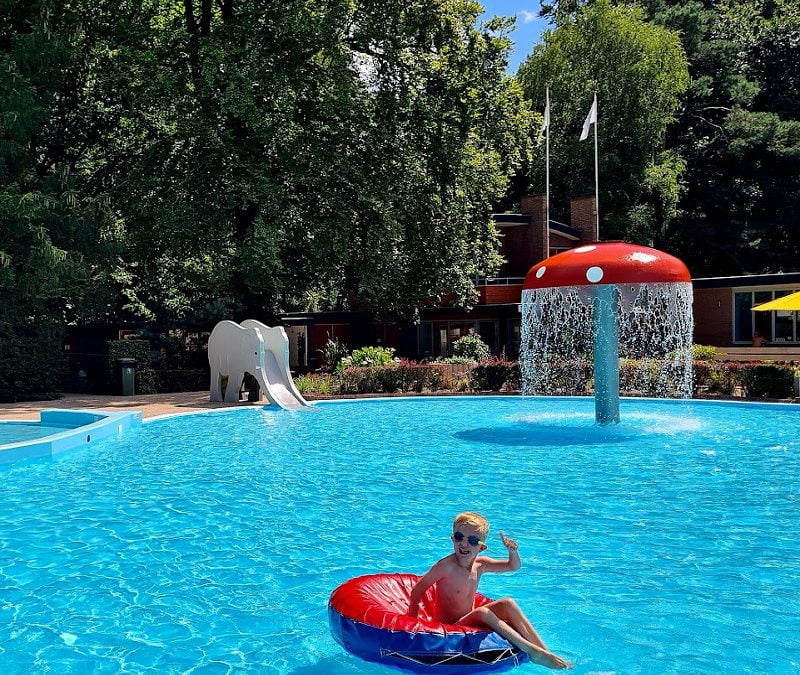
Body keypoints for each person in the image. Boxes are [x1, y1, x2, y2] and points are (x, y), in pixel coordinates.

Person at [407, 512, 572, 670]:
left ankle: (544, 651)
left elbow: (512, 566)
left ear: (482, 547)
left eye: (472, 540)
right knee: (483, 613)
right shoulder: (445, 567)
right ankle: (530, 650)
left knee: (508, 603)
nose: (464, 544)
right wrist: (411, 630)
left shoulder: (481, 565)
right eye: (459, 537)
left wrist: (512, 552)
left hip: (469, 621)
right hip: (450, 628)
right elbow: (416, 592)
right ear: (452, 539)